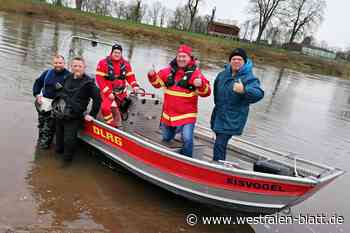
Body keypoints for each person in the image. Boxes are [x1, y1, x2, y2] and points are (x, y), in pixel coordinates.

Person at [147, 44, 211, 157]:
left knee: (187, 138)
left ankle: (187, 161)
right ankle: (171, 146)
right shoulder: (167, 71)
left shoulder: (196, 74)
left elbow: (207, 93)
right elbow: (157, 84)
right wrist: (152, 76)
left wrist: (201, 85)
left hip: (187, 115)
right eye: (179, 56)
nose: (181, 59)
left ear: (189, 58)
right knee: (166, 138)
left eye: (184, 57)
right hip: (168, 114)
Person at [210, 48, 264, 162]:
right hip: (218, 115)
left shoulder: (249, 78)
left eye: (239, 59)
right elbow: (216, 93)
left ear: (244, 62)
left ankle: (217, 168)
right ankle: (219, 164)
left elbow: (259, 94)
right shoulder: (222, 74)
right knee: (219, 141)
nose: (236, 61)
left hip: (233, 118)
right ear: (230, 61)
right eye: (234, 59)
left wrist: (244, 91)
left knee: (220, 143)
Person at [54, 57, 101, 161]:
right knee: (58, 141)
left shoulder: (89, 83)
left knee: (69, 141)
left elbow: (98, 99)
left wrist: (92, 115)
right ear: (71, 67)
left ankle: (66, 162)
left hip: (74, 117)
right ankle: (56, 158)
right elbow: (60, 91)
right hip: (61, 114)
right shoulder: (68, 77)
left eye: (80, 66)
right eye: (75, 66)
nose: (77, 68)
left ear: (84, 67)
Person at [95, 43, 141, 127]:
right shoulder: (102, 63)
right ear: (111, 52)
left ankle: (118, 123)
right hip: (107, 91)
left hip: (121, 92)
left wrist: (135, 86)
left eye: (118, 53)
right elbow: (99, 79)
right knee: (105, 108)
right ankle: (110, 124)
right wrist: (108, 93)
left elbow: (130, 77)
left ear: (121, 53)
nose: (117, 54)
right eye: (115, 52)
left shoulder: (126, 64)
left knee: (122, 109)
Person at [32, 55, 70, 149]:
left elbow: (70, 92)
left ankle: (43, 148)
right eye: (56, 63)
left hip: (57, 105)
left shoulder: (68, 76)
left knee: (48, 127)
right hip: (43, 103)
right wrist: (37, 95)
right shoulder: (47, 72)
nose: (58, 65)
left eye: (60, 63)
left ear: (64, 63)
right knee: (41, 124)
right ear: (53, 63)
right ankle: (40, 142)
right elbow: (38, 83)